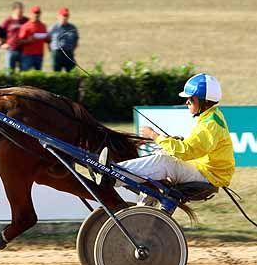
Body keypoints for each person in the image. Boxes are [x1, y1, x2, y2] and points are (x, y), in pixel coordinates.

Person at [98, 73, 235, 189]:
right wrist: (177, 141)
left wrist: (155, 136)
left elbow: (187, 152)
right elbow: (195, 147)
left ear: (204, 102)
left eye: (191, 99)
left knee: (164, 162)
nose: (187, 102)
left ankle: (112, 175)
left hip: (209, 175)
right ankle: (142, 210)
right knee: (161, 156)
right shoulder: (211, 115)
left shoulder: (209, 123)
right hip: (205, 169)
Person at [47, 7, 79, 72]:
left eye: (66, 16)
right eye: (63, 15)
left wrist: (71, 49)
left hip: (68, 52)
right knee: (56, 73)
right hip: (57, 52)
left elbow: (76, 40)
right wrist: (52, 51)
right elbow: (48, 40)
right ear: (58, 16)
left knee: (72, 72)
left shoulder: (72, 27)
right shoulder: (53, 27)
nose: (65, 18)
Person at [0, 1, 28, 72]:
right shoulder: (8, 21)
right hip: (11, 50)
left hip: (23, 50)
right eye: (20, 10)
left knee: (23, 72)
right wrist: (2, 44)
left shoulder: (26, 20)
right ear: (14, 10)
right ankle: (9, 83)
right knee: (9, 72)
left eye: (22, 10)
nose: (22, 11)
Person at [18, 5, 48, 71]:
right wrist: (28, 40)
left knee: (38, 75)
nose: (36, 15)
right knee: (25, 74)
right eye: (35, 13)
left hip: (39, 55)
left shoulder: (43, 26)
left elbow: (46, 39)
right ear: (31, 14)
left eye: (38, 13)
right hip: (28, 55)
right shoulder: (26, 26)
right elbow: (19, 41)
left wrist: (48, 38)